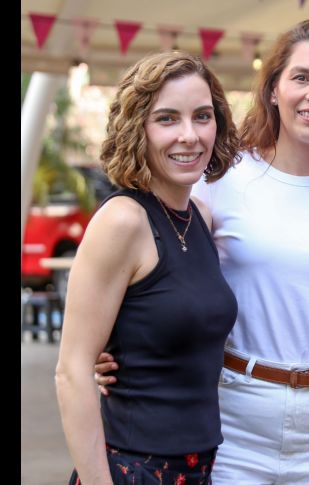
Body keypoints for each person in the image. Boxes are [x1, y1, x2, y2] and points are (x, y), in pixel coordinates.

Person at [96, 19, 309, 484]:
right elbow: (155, 266)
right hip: (233, 417)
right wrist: (116, 348)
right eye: (301, 77)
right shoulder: (220, 178)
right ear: (274, 90)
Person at [55, 51, 240, 484]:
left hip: (199, 468)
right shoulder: (123, 220)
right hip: (132, 469)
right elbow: (71, 371)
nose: (190, 136)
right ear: (138, 127)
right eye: (168, 119)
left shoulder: (200, 217)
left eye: (202, 116)